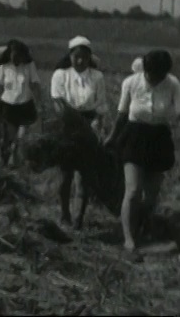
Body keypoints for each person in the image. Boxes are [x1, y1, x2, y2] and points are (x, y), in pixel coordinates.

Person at [104, 49, 180, 253]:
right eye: (152, 75)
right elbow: (121, 115)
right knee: (133, 191)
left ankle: (142, 227)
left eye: (160, 76)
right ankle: (129, 239)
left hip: (159, 139)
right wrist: (112, 138)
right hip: (135, 136)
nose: (156, 79)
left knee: (151, 195)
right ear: (145, 70)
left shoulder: (173, 84)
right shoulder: (131, 83)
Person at [50, 36, 109, 230]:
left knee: (84, 178)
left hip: (88, 126)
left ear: (90, 57)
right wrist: (73, 122)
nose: (80, 61)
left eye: (84, 57)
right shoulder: (61, 75)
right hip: (68, 126)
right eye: (76, 56)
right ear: (70, 56)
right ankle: (64, 213)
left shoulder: (97, 78)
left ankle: (78, 219)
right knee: (65, 176)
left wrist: (96, 125)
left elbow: (100, 106)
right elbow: (58, 102)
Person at [0, 39, 43, 168]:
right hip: (8, 106)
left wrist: (39, 103)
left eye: (19, 55)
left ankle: (17, 163)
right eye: (14, 55)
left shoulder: (29, 67)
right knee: (8, 138)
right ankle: (5, 163)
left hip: (24, 106)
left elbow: (34, 85)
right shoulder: (3, 67)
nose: (16, 58)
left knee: (20, 138)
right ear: (9, 54)